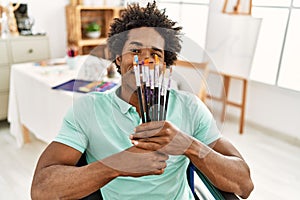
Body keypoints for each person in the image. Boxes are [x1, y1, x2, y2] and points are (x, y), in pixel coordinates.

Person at [31, 1, 254, 199]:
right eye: (135, 50)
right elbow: (41, 190)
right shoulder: (89, 109)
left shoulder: (190, 107)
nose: (145, 61)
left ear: (166, 65)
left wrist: (190, 146)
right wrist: (115, 165)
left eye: (155, 54)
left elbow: (244, 185)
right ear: (119, 57)